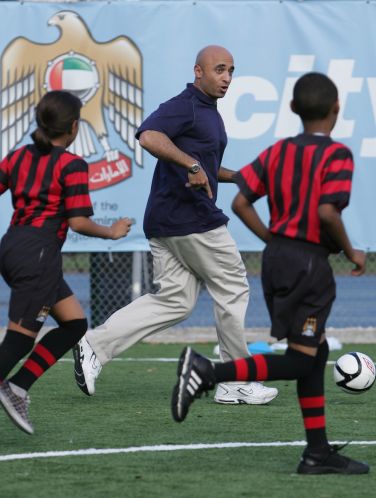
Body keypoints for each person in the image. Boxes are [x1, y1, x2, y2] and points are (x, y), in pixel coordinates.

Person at [171, 72, 369, 475]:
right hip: (310, 266)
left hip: (277, 260)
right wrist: (352, 252)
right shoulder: (337, 156)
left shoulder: (277, 152)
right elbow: (327, 212)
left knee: (316, 354)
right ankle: (208, 372)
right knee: (300, 360)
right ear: (336, 110)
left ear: (293, 109)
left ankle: (316, 453)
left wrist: (273, 238)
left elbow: (242, 200)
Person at [73, 45, 278, 405]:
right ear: (198, 71)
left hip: (168, 219)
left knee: (176, 301)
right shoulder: (186, 105)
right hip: (192, 219)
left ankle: (94, 345)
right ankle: (235, 380)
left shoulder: (208, 112)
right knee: (232, 286)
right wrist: (193, 166)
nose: (227, 78)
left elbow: (203, 164)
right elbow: (148, 135)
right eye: (219, 70)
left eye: (231, 70)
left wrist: (237, 177)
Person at [0, 90, 132, 434]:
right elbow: (77, 222)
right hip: (39, 255)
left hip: (13, 247)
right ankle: (12, 387)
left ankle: (17, 388)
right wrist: (112, 231)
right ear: (73, 127)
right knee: (20, 338)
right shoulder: (71, 165)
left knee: (74, 324)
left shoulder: (17, 158)